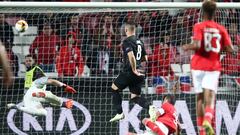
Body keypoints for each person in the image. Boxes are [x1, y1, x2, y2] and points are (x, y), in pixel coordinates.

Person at [182, 1, 234, 135]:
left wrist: (188, 46)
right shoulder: (221, 28)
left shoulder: (198, 26)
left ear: (202, 12)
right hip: (212, 66)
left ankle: (202, 131)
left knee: (199, 98)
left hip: (198, 65)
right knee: (210, 97)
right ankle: (208, 119)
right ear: (215, 13)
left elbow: (198, 45)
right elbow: (231, 49)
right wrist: (219, 48)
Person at [110, 22, 152, 122]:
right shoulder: (140, 42)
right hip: (140, 72)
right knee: (135, 98)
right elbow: (145, 58)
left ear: (126, 30)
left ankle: (119, 113)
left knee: (114, 88)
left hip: (130, 72)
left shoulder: (126, 41)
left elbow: (131, 56)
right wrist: (137, 64)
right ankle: (150, 107)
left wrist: (133, 68)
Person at [7, 76, 76, 116]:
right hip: (33, 93)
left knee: (44, 113)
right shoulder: (38, 81)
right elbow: (52, 81)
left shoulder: (40, 86)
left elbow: (50, 102)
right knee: (48, 95)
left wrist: (63, 105)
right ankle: (43, 95)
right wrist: (65, 86)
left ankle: (16, 107)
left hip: (29, 99)